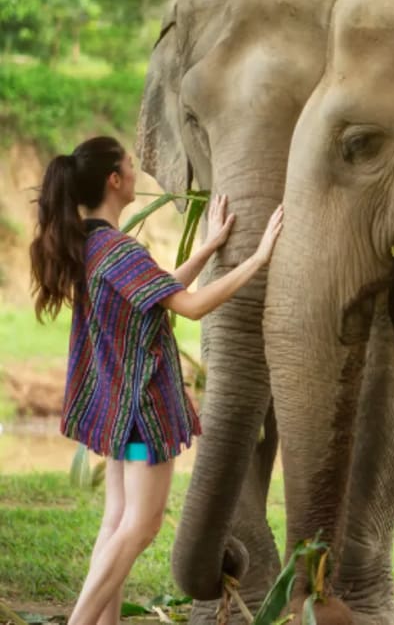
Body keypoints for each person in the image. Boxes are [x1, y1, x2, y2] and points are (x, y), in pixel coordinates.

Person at [28, 135, 283, 625]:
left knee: (117, 522)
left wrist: (209, 245)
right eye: (128, 161)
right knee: (141, 526)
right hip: (143, 416)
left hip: (119, 411)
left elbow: (162, 290)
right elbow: (189, 306)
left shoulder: (95, 245)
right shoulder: (117, 250)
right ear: (114, 180)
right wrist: (258, 259)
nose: (135, 167)